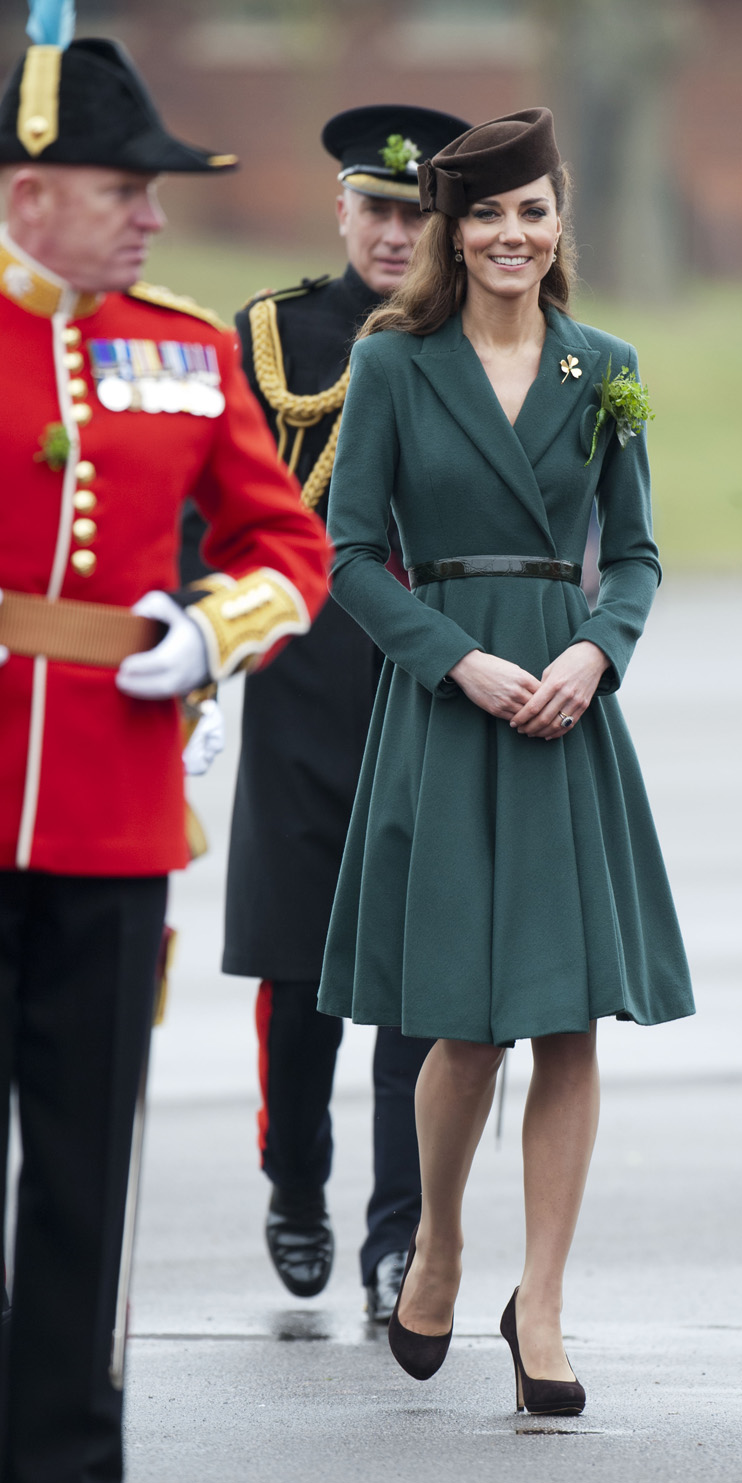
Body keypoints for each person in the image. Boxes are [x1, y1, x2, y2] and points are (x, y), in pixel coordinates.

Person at [0, 20, 330, 1483]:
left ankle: (62, 1459)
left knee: (85, 1176)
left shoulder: (182, 350)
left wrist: (212, 631)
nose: (154, 215)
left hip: (117, 828)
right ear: (29, 190)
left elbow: (285, 543)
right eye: (129, 187)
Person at [317, 108, 695, 1414]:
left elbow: (636, 553)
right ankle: (435, 1244)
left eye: (533, 212)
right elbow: (350, 553)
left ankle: (543, 1304)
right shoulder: (393, 367)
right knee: (466, 1025)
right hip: (454, 697)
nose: (512, 236)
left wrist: (598, 653)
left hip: (568, 704)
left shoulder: (608, 367)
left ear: (558, 221)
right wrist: (454, 662)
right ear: (449, 230)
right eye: (486, 214)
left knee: (568, 1015)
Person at [181, 103, 470, 1321]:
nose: (397, 234)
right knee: (301, 984)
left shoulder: (474, 338)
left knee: (416, 982)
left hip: (429, 682)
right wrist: (200, 644)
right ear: (341, 210)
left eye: (419, 215)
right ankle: (295, 1182)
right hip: (302, 678)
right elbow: (214, 509)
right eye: (379, 210)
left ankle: (397, 1239)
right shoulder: (273, 335)